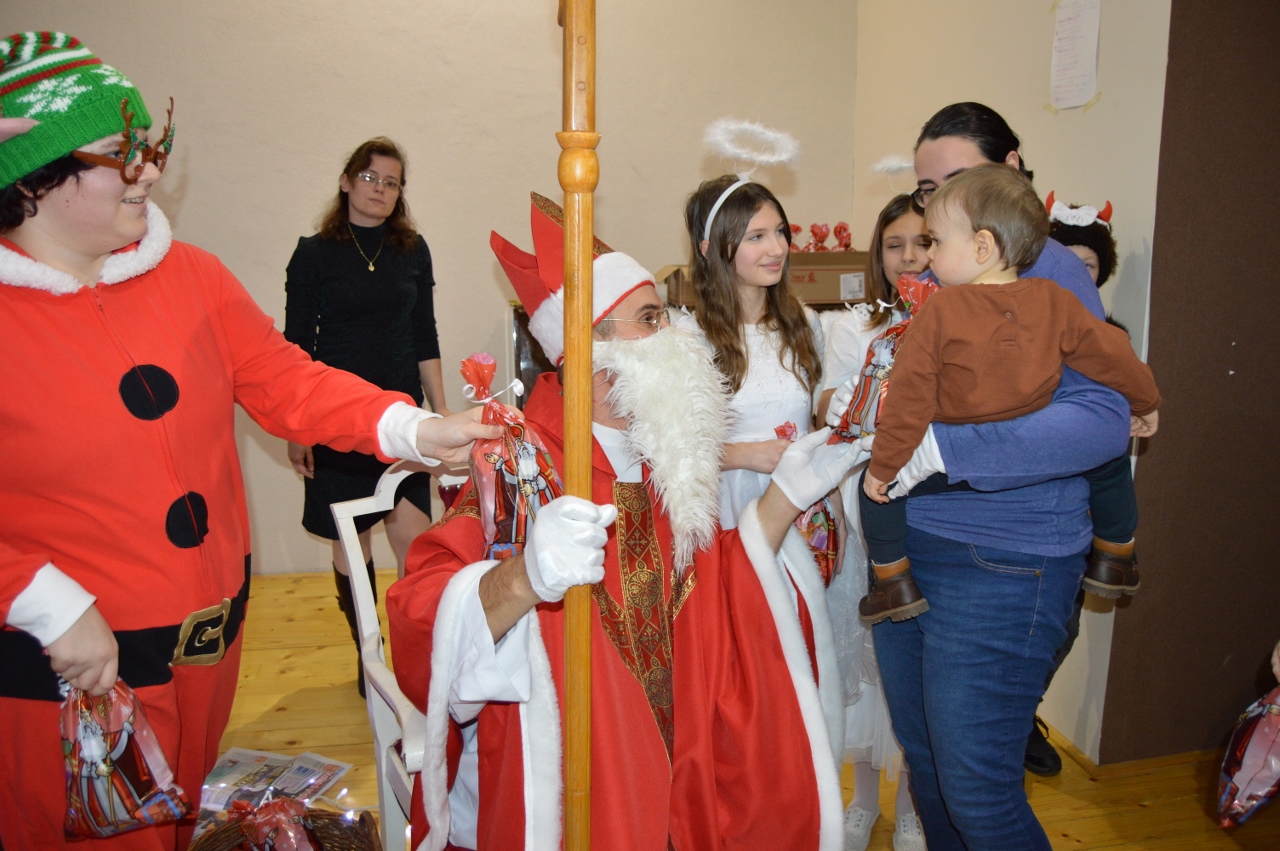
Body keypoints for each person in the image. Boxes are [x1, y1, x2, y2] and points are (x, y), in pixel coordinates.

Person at [0, 32, 496, 850]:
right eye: (121, 154)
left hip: (207, 648)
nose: (149, 171)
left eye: (152, 146)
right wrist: (41, 600)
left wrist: (413, 426)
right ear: (34, 178)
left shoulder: (191, 275)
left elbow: (287, 378)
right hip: (67, 672)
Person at [386, 194, 859, 850]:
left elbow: (711, 595)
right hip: (583, 780)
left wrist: (783, 498)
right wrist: (526, 575)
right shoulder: (524, 468)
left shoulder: (663, 458)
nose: (677, 333)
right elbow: (421, 615)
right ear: (594, 349)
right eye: (651, 319)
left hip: (682, 768)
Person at [821, 102, 1133, 849]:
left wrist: (945, 451)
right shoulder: (943, 271)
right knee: (929, 769)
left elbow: (1103, 417)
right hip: (912, 552)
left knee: (976, 788)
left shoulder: (1046, 271)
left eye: (957, 180)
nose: (939, 203)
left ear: (1011, 167)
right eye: (927, 189)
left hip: (1002, 558)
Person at [859, 165, 1160, 628]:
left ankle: (892, 581)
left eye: (936, 242)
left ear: (981, 247)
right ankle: (1115, 554)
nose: (928, 256)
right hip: (1026, 431)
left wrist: (885, 465)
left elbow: (909, 398)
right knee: (1110, 464)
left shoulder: (940, 311)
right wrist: (1146, 402)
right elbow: (1113, 355)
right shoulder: (1055, 300)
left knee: (878, 494)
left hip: (957, 447)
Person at [284, 137, 449, 696]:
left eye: (391, 182)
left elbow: (425, 334)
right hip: (336, 420)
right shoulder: (313, 254)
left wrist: (440, 415)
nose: (380, 189)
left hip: (402, 417)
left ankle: (411, 654)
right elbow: (295, 347)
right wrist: (297, 427)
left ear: (400, 193)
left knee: (417, 545)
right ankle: (368, 651)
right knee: (352, 545)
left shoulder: (413, 250)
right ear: (347, 181)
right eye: (371, 177)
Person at [818, 194, 930, 850]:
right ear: (877, 252)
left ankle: (913, 805)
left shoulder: (954, 318)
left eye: (922, 242)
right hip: (859, 505)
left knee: (914, 669)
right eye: (894, 245)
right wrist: (864, 396)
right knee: (861, 664)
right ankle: (862, 798)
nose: (908, 257)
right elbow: (826, 404)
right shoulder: (853, 325)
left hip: (928, 512)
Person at [677, 176, 826, 527]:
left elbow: (813, 425)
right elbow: (670, 452)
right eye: (756, 237)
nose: (777, 248)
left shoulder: (804, 323)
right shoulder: (689, 339)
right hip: (732, 510)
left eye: (780, 231)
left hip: (804, 510)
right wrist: (745, 454)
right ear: (710, 249)